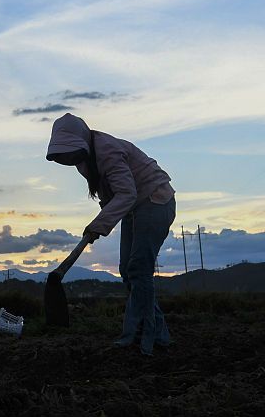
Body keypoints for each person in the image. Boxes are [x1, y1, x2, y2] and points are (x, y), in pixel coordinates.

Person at [45, 113, 176, 355]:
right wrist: (99, 224)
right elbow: (112, 196)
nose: (70, 158)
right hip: (134, 206)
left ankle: (144, 338)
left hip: (155, 200)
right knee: (128, 270)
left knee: (139, 269)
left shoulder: (108, 151)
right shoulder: (84, 160)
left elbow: (126, 194)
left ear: (81, 140)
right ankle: (159, 334)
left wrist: (100, 224)